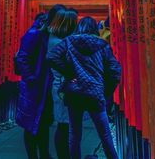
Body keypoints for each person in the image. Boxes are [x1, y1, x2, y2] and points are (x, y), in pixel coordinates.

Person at [47, 16, 122, 159]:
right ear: (94, 28)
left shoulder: (68, 42)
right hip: (95, 94)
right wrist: (106, 91)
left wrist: (69, 73)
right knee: (105, 135)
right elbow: (115, 71)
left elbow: (52, 57)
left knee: (75, 135)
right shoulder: (102, 44)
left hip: (74, 93)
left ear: (79, 27)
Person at [16, 4, 66, 159]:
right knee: (31, 123)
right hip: (35, 87)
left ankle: (44, 154)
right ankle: (33, 156)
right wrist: (31, 78)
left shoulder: (50, 34)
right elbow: (22, 57)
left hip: (46, 87)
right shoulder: (35, 34)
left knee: (43, 123)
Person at [47, 8, 78, 159]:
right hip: (62, 87)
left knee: (64, 125)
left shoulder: (55, 39)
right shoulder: (58, 43)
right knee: (64, 125)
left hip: (62, 86)